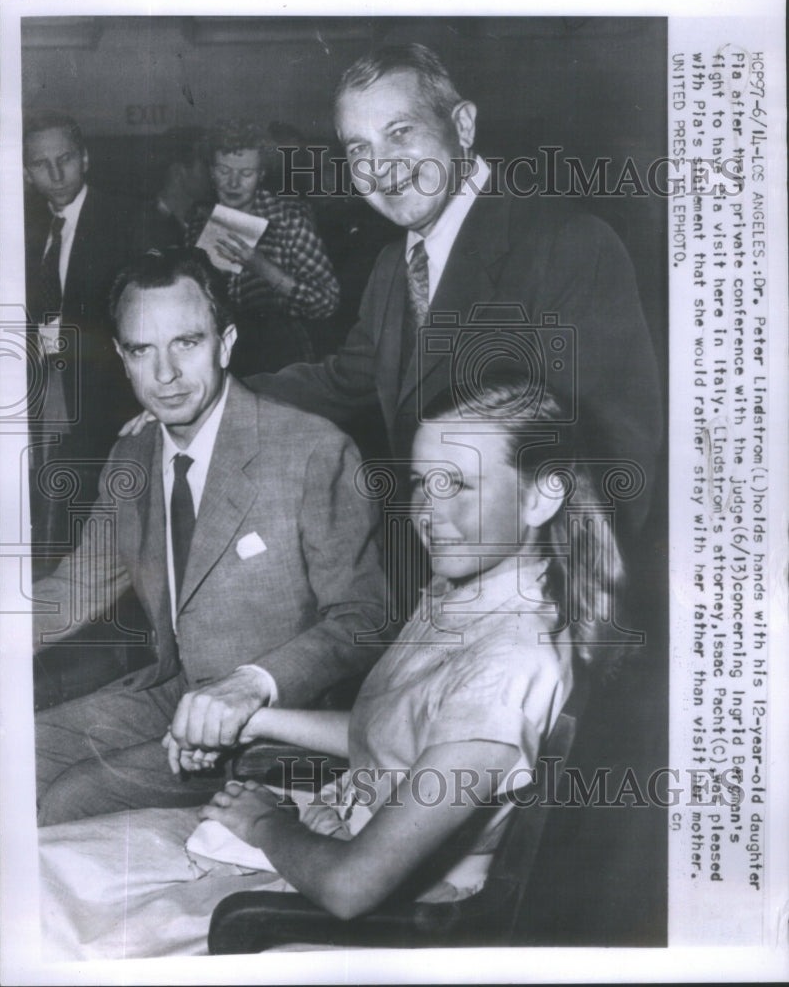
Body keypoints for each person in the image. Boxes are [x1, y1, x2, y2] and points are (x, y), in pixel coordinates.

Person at [37, 372, 626, 960]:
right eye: (424, 483)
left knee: (50, 911)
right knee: (42, 867)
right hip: (324, 833)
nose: (428, 511)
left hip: (371, 917)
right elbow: (398, 738)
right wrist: (256, 722)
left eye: (461, 486)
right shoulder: (467, 592)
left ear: (543, 494)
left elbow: (352, 888)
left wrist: (264, 824)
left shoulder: (506, 668)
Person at [244, 43, 663, 541]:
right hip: (439, 567)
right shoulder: (390, 268)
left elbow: (615, 453)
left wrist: (546, 594)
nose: (380, 166)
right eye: (359, 149)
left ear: (462, 125)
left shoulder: (568, 244)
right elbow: (344, 380)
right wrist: (216, 397)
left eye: (400, 132)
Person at [33, 247, 386, 826]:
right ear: (122, 359)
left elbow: (364, 619)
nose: (165, 374)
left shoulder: (311, 448)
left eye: (186, 343)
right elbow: (70, 591)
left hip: (282, 723)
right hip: (173, 695)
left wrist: (252, 684)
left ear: (224, 343)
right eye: (143, 350)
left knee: (75, 797)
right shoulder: (132, 457)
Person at [23, 110, 141, 569]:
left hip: (105, 405)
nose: (55, 173)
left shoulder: (127, 218)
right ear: (26, 172)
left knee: (99, 537)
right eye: (40, 164)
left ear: (85, 158)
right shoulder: (24, 230)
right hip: (41, 400)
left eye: (65, 158)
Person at [185, 119, 340, 375]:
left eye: (246, 174)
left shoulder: (289, 220)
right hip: (220, 356)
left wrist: (263, 267)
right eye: (225, 171)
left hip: (281, 356)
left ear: (262, 175)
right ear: (211, 171)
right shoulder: (200, 222)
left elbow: (327, 302)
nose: (234, 183)